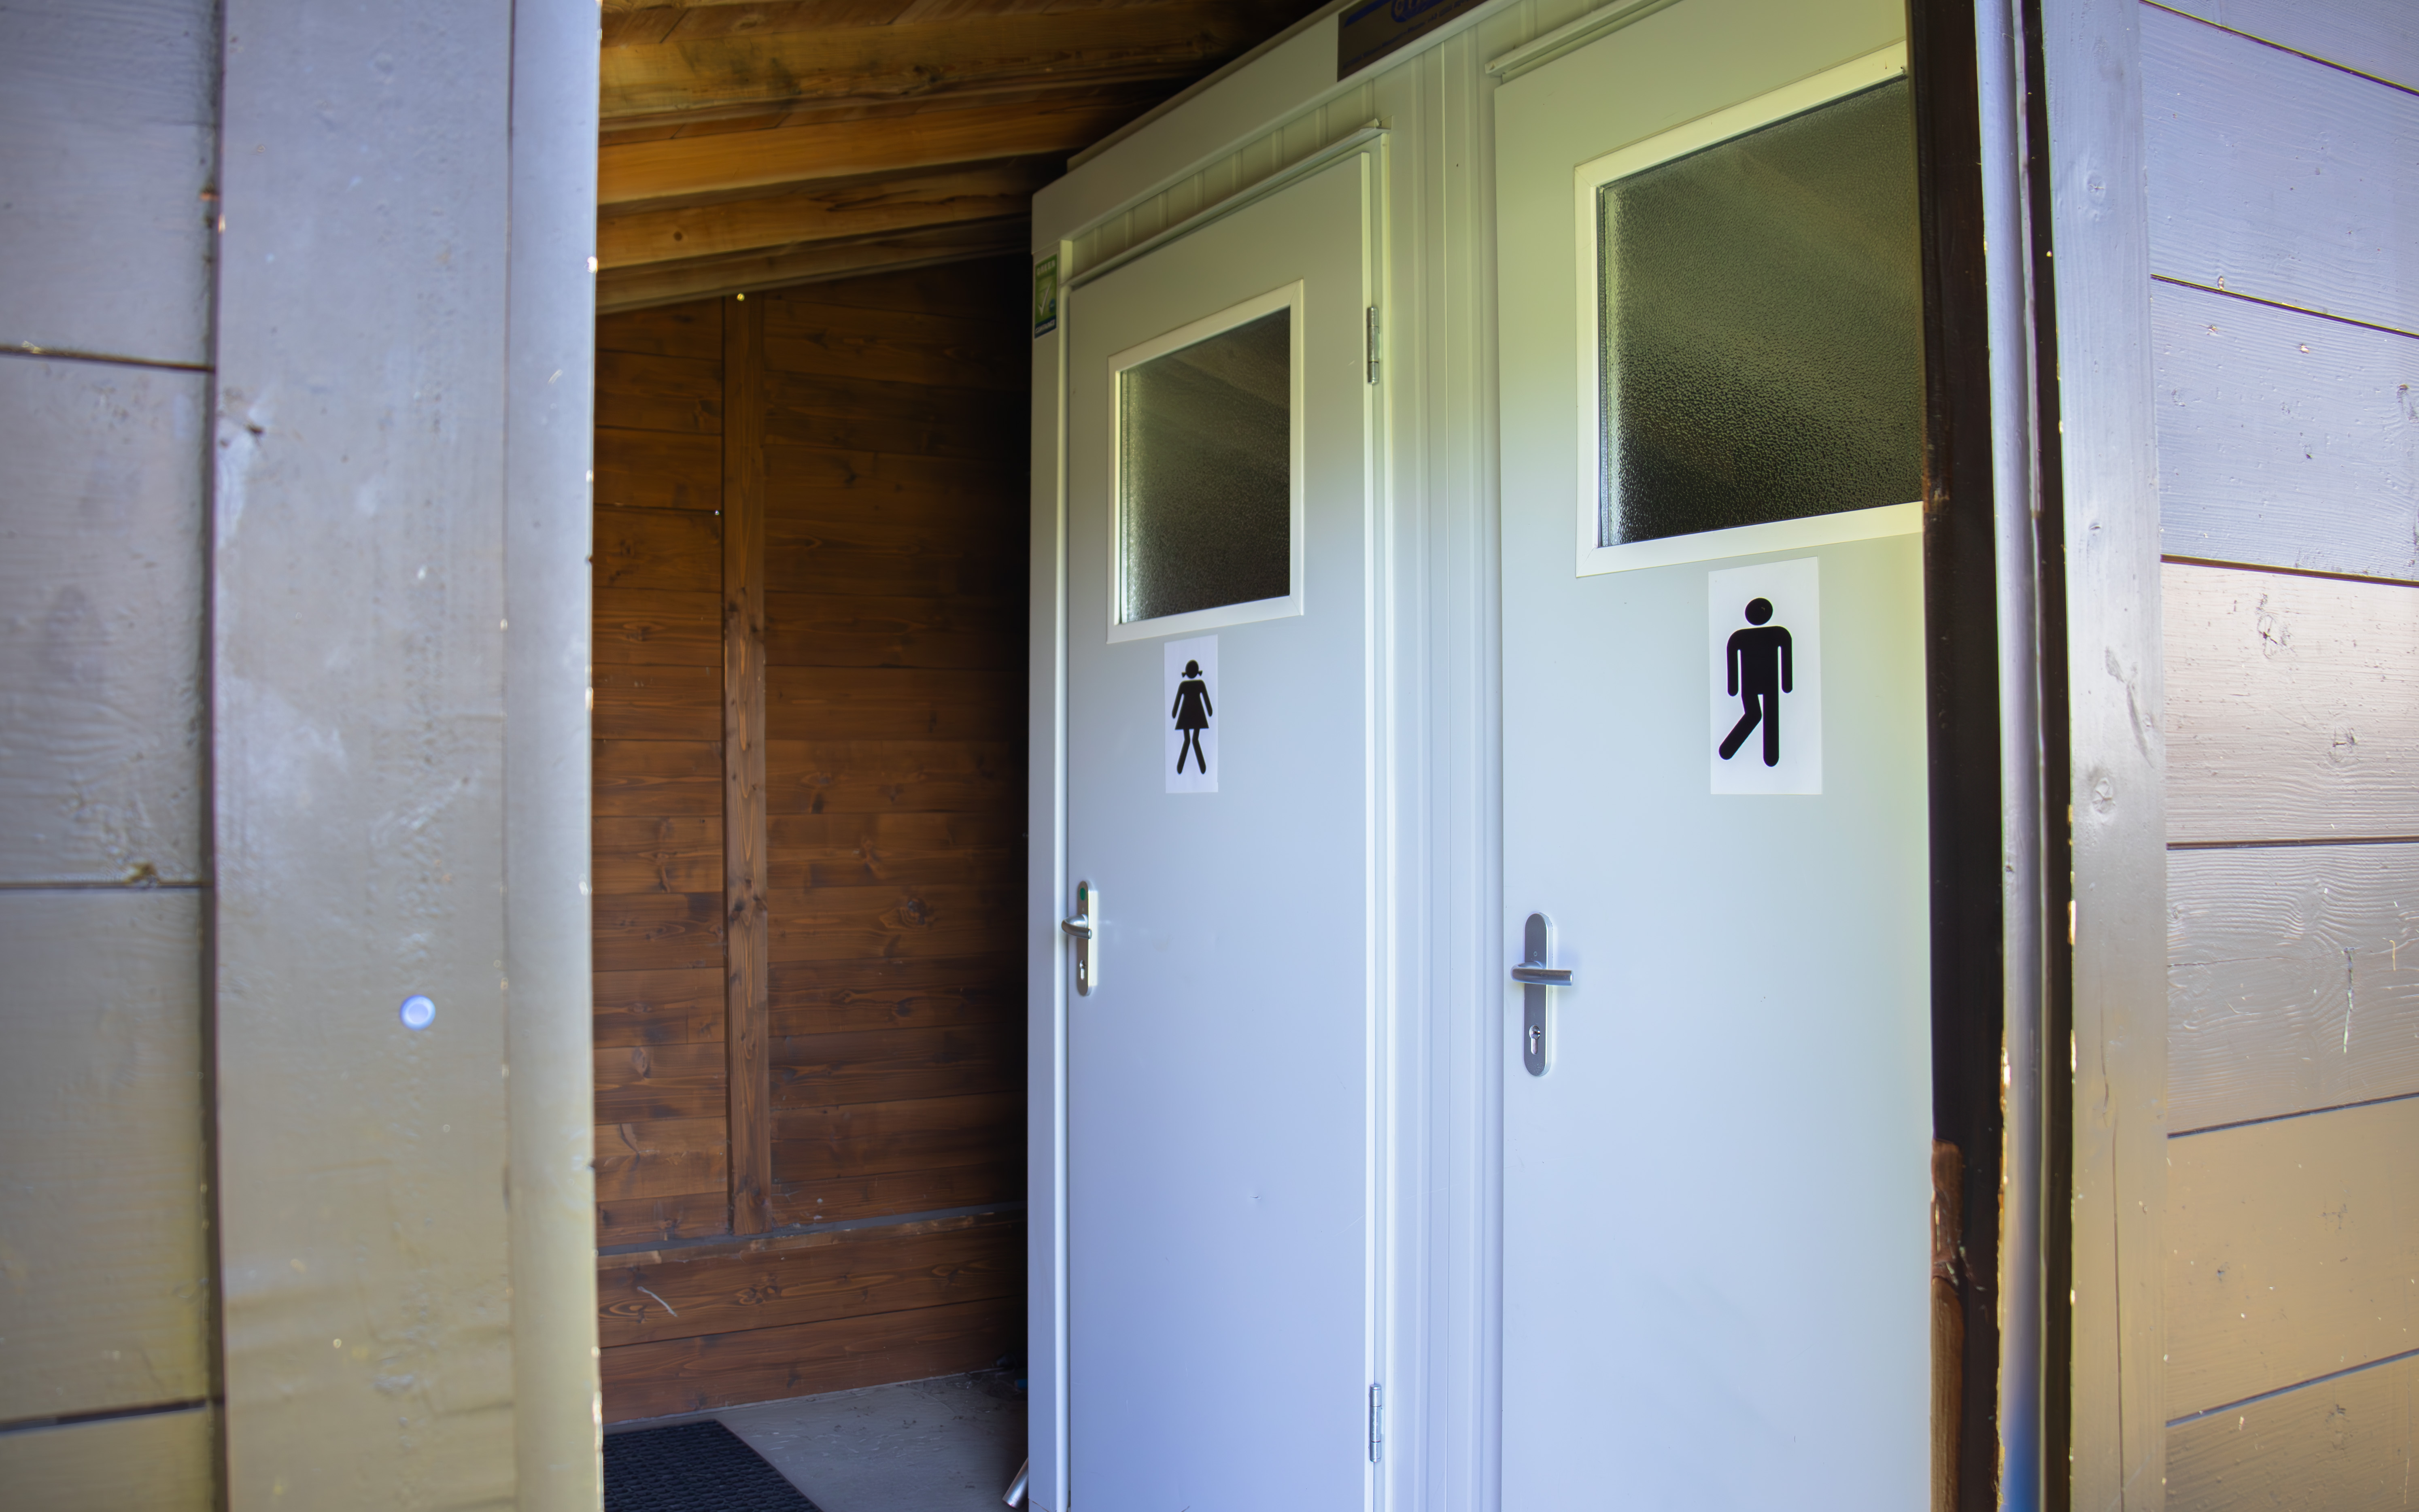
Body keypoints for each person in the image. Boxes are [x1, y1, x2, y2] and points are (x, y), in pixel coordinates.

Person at [1718, 597, 1792, 768]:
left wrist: (1733, 688)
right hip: (1765, 685)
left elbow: (1732, 655)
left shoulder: (1742, 637)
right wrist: (1786, 684)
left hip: (1757, 685)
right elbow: (1786, 655)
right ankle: (1731, 750)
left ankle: (1768, 757)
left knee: (1761, 715)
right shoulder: (1777, 634)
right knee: (1760, 715)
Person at [1171, 659, 1213, 774]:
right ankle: (1198, 768)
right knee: (1194, 740)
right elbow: (1206, 701)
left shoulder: (1185, 685)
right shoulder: (1198, 684)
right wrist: (1209, 712)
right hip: (1197, 715)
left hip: (1186, 715)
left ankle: (1185, 768)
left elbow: (1178, 701)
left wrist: (1174, 714)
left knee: (1189, 740)